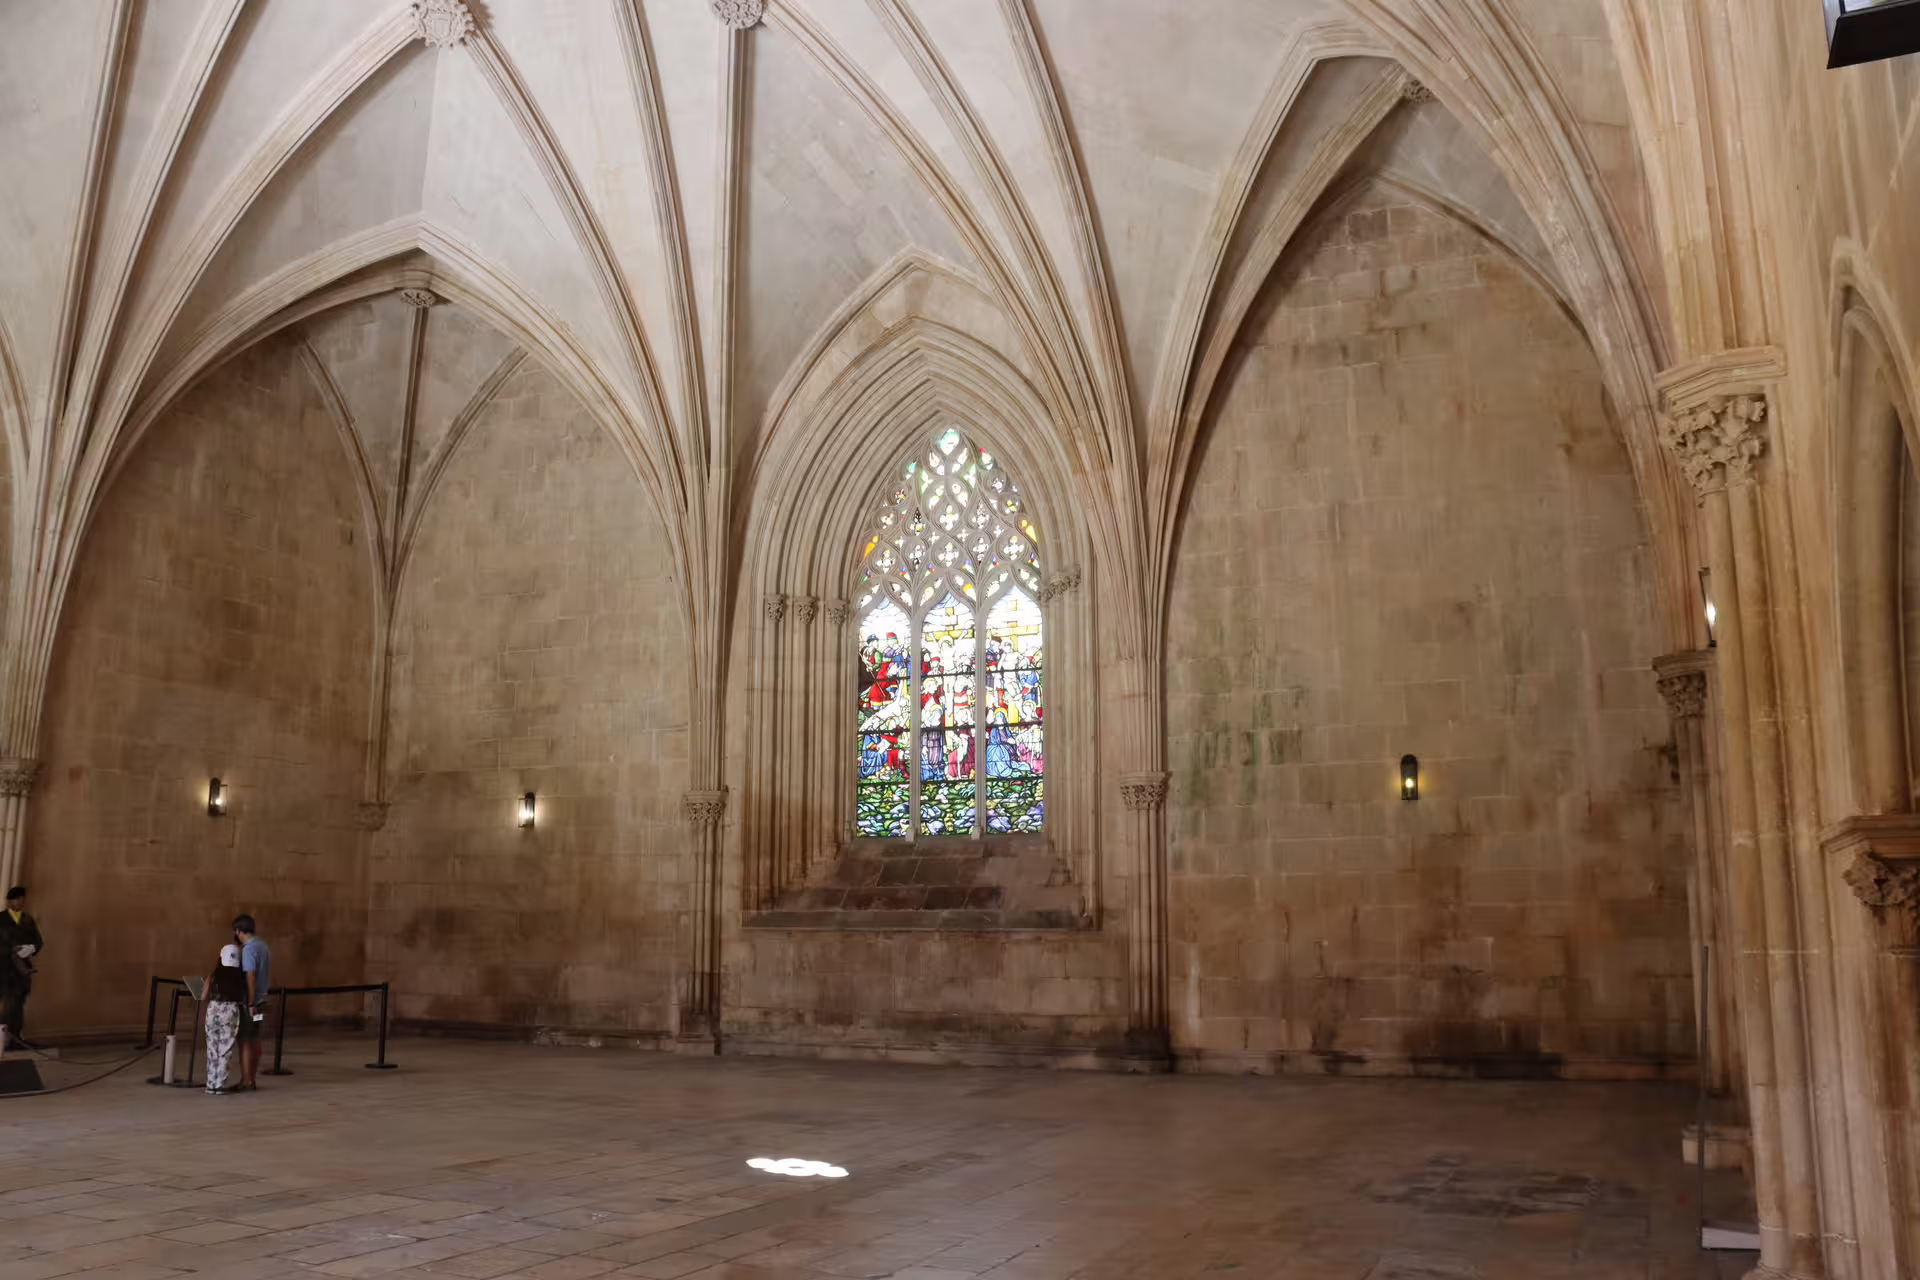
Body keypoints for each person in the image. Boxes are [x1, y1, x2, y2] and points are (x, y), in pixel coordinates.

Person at [232, 914, 271, 1090]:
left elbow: (250, 975)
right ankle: (252, 1078)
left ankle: (246, 1080)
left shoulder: (248, 949)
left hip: (252, 1002)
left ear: (238, 931)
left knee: (245, 1040)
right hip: (262, 1000)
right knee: (255, 1039)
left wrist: (250, 1003)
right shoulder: (263, 946)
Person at [203, 942, 248, 1095]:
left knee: (212, 1048)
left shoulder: (214, 975)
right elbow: (243, 997)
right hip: (231, 1011)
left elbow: (203, 996)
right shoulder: (240, 978)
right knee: (225, 1049)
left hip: (213, 1010)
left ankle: (211, 1084)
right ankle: (220, 1085)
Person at [0, 887, 43, 1046]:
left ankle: (16, 1039)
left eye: (22, 899)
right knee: (6, 1006)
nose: (21, 902)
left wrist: (31, 948)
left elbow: (38, 942)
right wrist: (11, 950)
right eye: (17, 899)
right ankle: (3, 1041)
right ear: (9, 901)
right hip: (4, 971)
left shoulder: (27, 920)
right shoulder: (1, 919)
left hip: (21, 972)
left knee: (18, 1005)